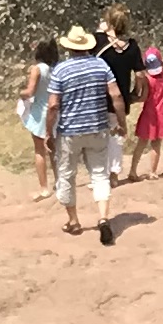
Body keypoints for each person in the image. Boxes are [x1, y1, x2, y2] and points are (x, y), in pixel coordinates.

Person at [41, 24, 125, 242]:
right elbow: (116, 95)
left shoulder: (61, 70)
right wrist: (121, 122)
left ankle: (74, 220)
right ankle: (103, 217)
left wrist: (48, 132)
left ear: (69, 48)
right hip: (98, 127)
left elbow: (53, 105)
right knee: (99, 174)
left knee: (67, 175)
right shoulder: (101, 65)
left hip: (70, 131)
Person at [15, 43, 60, 197]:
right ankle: (59, 182)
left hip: (39, 112)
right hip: (54, 111)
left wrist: (20, 93)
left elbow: (30, 91)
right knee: (53, 149)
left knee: (39, 151)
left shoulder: (37, 69)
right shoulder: (55, 69)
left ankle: (44, 188)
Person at [126, 41, 163, 180]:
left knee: (141, 143)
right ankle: (153, 171)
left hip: (148, 114)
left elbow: (144, 97)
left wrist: (132, 99)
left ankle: (133, 171)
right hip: (161, 114)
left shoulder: (148, 79)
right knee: (156, 144)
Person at [94, 3, 142, 131]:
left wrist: (104, 28)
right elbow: (140, 75)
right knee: (116, 139)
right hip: (121, 103)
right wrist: (135, 93)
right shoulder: (132, 47)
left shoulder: (98, 41)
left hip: (98, 102)